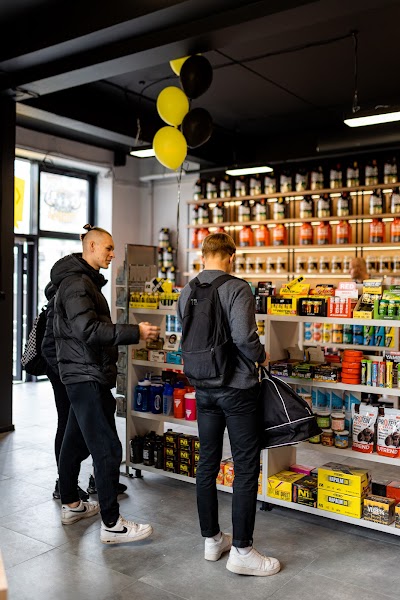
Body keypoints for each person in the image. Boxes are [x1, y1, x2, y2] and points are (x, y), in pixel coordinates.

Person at [177, 232, 281, 577]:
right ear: (231, 257)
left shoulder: (187, 290)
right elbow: (243, 337)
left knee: (207, 462)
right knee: (246, 467)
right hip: (236, 388)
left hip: (203, 387)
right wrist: (262, 355)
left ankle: (212, 540)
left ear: (203, 255)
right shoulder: (238, 288)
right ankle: (242, 551)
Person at [52, 224, 160, 544]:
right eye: (108, 248)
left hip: (83, 372)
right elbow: (88, 330)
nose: (113, 254)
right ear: (91, 247)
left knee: (74, 443)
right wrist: (135, 332)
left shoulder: (83, 281)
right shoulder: (77, 283)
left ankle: (71, 505)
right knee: (108, 449)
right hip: (85, 374)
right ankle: (112, 524)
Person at [41, 281, 89, 501]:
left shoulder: (68, 299)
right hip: (63, 375)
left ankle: (70, 481)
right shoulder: (59, 301)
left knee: (75, 425)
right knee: (66, 425)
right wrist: (65, 373)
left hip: (70, 373)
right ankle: (64, 483)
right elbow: (48, 346)